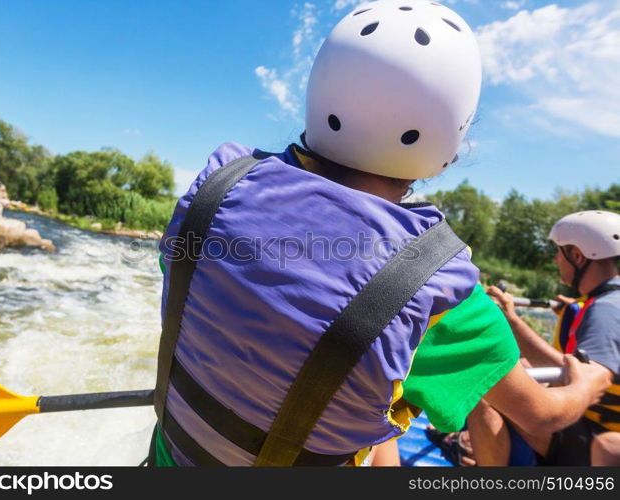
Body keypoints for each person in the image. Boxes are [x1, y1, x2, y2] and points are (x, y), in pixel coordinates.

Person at [149, 1, 609, 467]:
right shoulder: (439, 290)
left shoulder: (214, 191)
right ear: (450, 133)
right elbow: (543, 416)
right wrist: (587, 382)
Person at [468, 210, 620, 466]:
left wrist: (510, 320)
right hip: (594, 425)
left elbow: (581, 377)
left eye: (560, 252)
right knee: (522, 367)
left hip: (593, 439)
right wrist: (576, 310)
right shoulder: (601, 302)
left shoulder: (604, 311)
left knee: (485, 389)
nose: (555, 259)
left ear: (577, 256)